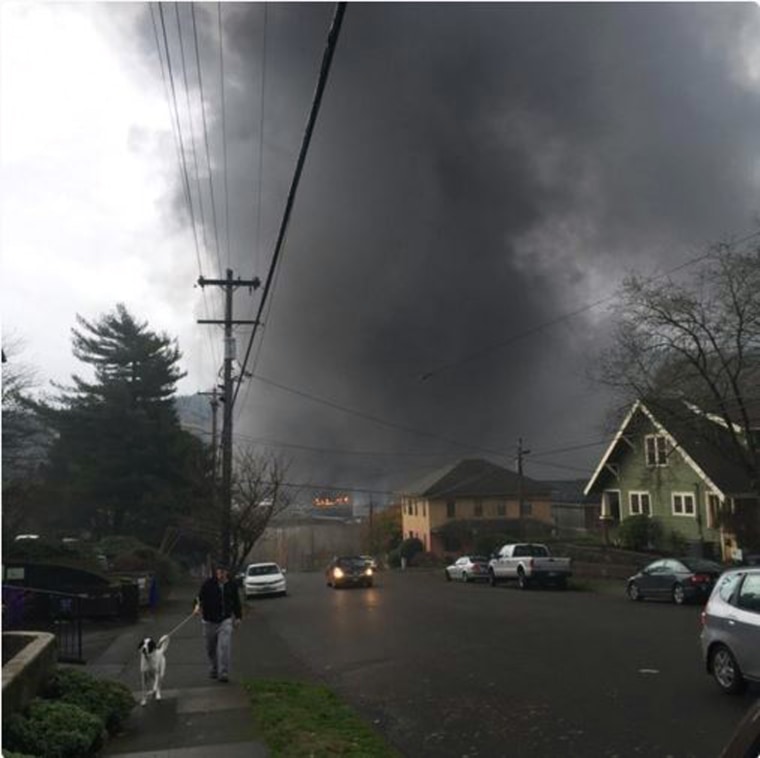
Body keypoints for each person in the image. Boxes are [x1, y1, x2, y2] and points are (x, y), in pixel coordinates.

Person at [193, 563, 242, 683]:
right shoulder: (208, 584)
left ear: (227, 573)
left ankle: (223, 672)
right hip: (209, 621)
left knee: (224, 647)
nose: (220, 574)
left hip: (225, 620)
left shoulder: (232, 585)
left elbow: (236, 601)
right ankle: (214, 667)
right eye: (218, 572)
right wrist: (197, 607)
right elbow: (198, 598)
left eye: (222, 572)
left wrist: (238, 617)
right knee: (211, 648)